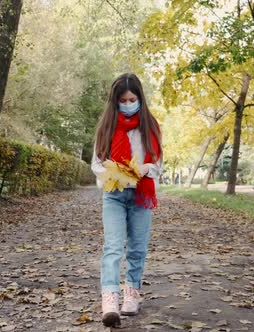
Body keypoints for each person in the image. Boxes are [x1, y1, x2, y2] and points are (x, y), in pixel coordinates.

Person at [91, 73, 163, 327]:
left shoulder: (150, 126)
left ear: (140, 99)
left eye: (133, 99)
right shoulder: (107, 128)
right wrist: (115, 173)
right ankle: (110, 299)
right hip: (114, 195)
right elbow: (97, 164)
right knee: (112, 247)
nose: (129, 103)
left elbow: (157, 164)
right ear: (116, 101)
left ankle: (132, 292)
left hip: (141, 195)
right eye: (124, 99)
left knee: (137, 248)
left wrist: (146, 169)